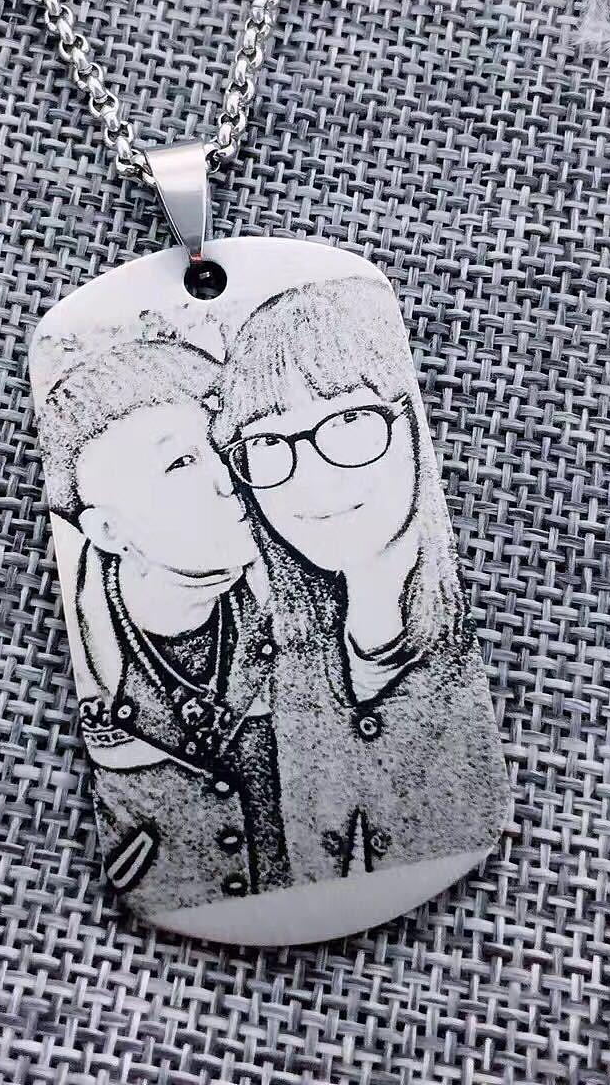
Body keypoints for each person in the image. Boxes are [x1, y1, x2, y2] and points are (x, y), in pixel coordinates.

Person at [212, 276, 511, 884]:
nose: (313, 480)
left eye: (349, 419)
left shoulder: (475, 640)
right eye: (267, 440)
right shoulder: (286, 655)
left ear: (414, 426)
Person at [37, 336, 292, 916]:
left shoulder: (303, 608)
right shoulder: (85, 659)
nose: (229, 479)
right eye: (181, 463)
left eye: (222, 447)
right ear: (108, 531)